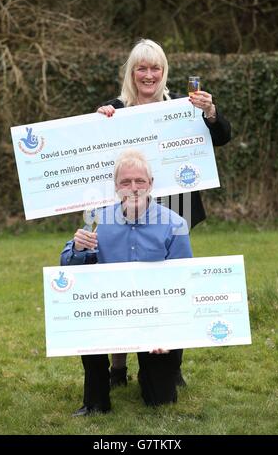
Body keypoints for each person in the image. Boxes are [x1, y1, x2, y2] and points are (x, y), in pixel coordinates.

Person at [96, 38, 231, 387]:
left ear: (163, 71)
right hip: (126, 212)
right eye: (142, 67)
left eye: (155, 67)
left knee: (173, 289)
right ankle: (117, 368)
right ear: (132, 72)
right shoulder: (115, 109)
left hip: (175, 210)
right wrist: (98, 123)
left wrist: (210, 113)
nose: (149, 74)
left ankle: (171, 365)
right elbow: (91, 149)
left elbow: (222, 136)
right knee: (122, 289)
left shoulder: (185, 106)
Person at [60, 149, 193, 415]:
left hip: (155, 315)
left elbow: (185, 282)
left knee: (161, 401)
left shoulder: (174, 224)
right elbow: (67, 267)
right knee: (86, 322)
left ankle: (156, 371)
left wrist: (168, 333)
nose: (133, 188)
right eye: (125, 182)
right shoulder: (99, 220)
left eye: (140, 181)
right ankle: (96, 401)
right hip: (111, 311)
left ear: (151, 184)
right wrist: (76, 248)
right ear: (116, 187)